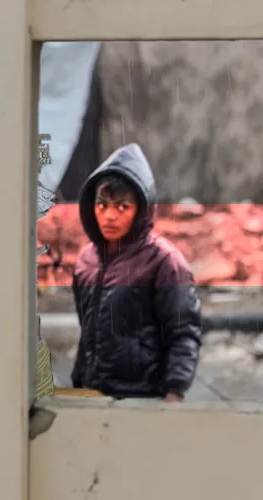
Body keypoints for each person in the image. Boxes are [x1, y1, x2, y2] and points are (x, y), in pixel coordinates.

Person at [70, 142, 202, 401]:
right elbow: (88, 332)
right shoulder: (86, 260)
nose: (109, 216)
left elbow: (183, 333)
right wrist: (78, 382)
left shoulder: (165, 262)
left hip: (142, 397)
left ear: (140, 208)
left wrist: (174, 392)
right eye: (102, 205)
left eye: (122, 207)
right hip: (91, 395)